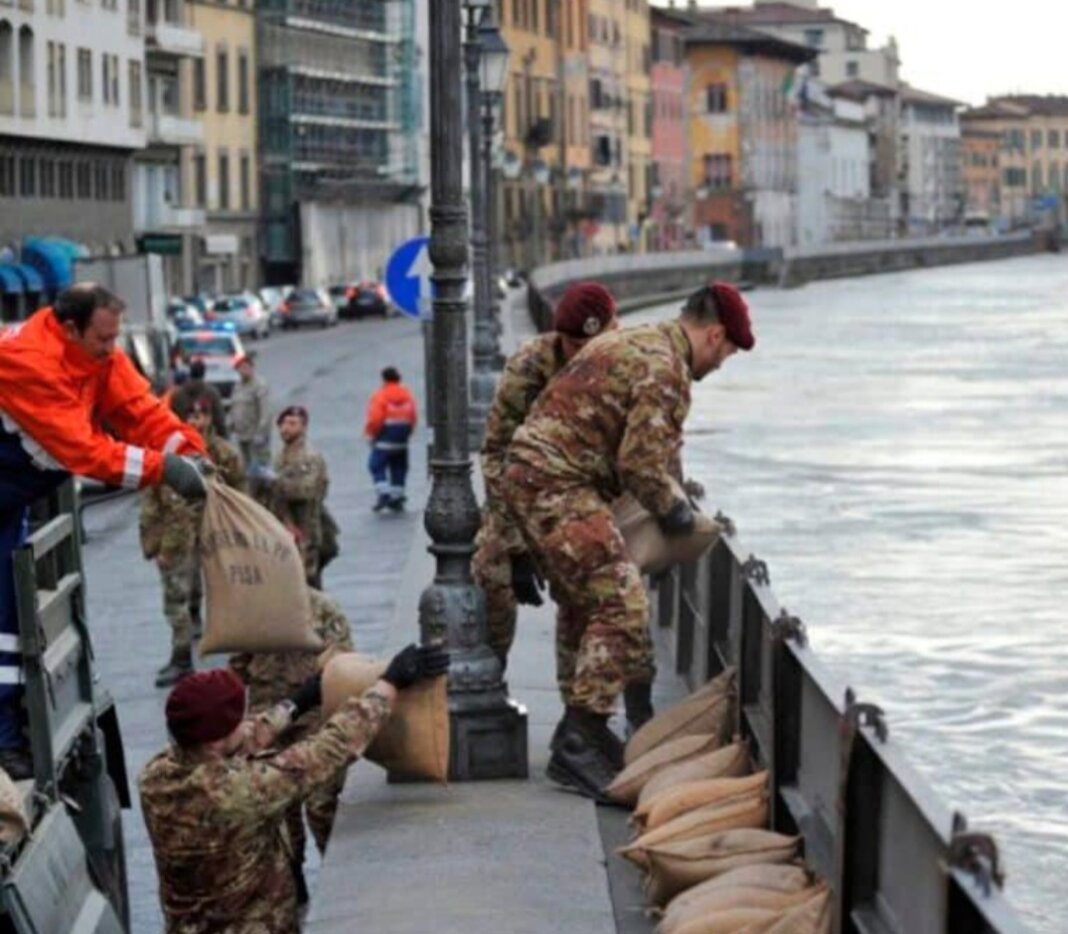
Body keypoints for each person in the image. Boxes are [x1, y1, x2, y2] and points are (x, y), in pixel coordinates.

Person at [503, 281, 755, 800]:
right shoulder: (668, 370)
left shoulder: (641, 339)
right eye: (726, 353)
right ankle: (579, 737)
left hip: (534, 476)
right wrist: (676, 514)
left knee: (583, 603)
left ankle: (586, 737)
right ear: (713, 335)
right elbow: (641, 464)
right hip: (558, 484)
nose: (721, 364)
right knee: (623, 605)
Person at [0, 283, 209, 778]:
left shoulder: (92, 355)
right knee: (1, 625)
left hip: (7, 500)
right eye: (103, 340)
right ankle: (3, 742)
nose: (112, 350)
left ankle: (8, 735)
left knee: (7, 620)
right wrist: (167, 470)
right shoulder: (25, 361)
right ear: (69, 328)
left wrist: (191, 449)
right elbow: (85, 451)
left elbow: (138, 410)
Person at [139, 644, 450, 933]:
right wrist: (388, 685)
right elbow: (327, 750)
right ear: (216, 739)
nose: (245, 722)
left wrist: (298, 702)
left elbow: (238, 741)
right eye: (237, 718)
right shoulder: (238, 791)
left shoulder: (155, 776)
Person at [472, 282, 619, 673]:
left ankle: (585, 712)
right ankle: (488, 678)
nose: (580, 354)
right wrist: (516, 547)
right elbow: (497, 452)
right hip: (523, 497)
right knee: (490, 574)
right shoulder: (530, 366)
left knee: (596, 600)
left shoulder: (626, 363)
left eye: (591, 343)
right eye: (572, 345)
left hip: (589, 498)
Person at [229, 587, 353, 896]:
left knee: (321, 803)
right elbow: (238, 668)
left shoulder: (322, 608)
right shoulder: (250, 611)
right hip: (266, 721)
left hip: (311, 718)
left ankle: (335, 875)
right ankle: (292, 878)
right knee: (281, 812)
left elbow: (342, 662)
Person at [140, 398, 246, 687]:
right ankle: (182, 656)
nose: (198, 421)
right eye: (192, 415)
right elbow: (153, 499)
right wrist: (155, 542)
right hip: (178, 542)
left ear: (212, 418)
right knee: (177, 601)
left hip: (214, 536)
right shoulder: (168, 452)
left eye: (203, 415)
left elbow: (240, 494)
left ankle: (241, 654)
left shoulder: (223, 453)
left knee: (228, 594)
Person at [270, 405, 329, 587]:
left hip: (306, 531)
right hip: (284, 528)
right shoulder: (280, 457)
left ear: (303, 427)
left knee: (307, 583)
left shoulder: (309, 458)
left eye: (292, 423)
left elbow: (307, 490)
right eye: (283, 423)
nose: (285, 428)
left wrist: (276, 484)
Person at [363, 367, 417, 513]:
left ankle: (384, 493)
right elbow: (413, 417)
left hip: (385, 437)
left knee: (376, 464)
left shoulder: (381, 396)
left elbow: (375, 419)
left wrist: (371, 434)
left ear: (384, 379)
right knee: (399, 466)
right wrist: (408, 433)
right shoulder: (407, 395)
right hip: (401, 438)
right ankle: (398, 495)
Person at [228, 353, 272, 478]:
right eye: (240, 368)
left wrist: (261, 433)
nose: (243, 371)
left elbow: (266, 412)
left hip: (256, 436)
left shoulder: (259, 386)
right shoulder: (238, 386)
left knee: (260, 471)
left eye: (246, 367)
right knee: (246, 471)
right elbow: (234, 407)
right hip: (242, 436)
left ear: (252, 367)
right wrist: (230, 425)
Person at [172, 357, 228, 439]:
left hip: (184, 438)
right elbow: (219, 419)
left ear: (190, 372)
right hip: (205, 439)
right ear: (204, 373)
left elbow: (172, 419)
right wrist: (223, 436)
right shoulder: (212, 393)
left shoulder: (177, 395)